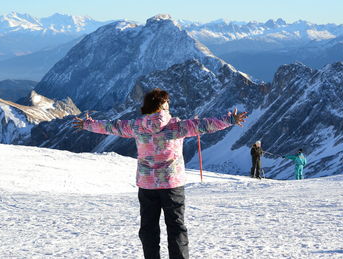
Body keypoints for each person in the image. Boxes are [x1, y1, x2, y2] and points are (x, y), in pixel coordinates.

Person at [72, 88, 247, 259]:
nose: (169, 105)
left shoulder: (136, 126)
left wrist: (88, 124)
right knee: (176, 227)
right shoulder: (177, 127)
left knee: (148, 228)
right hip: (172, 184)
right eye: (167, 103)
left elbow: (112, 127)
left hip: (147, 184)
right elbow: (205, 125)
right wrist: (230, 119)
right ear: (163, 106)